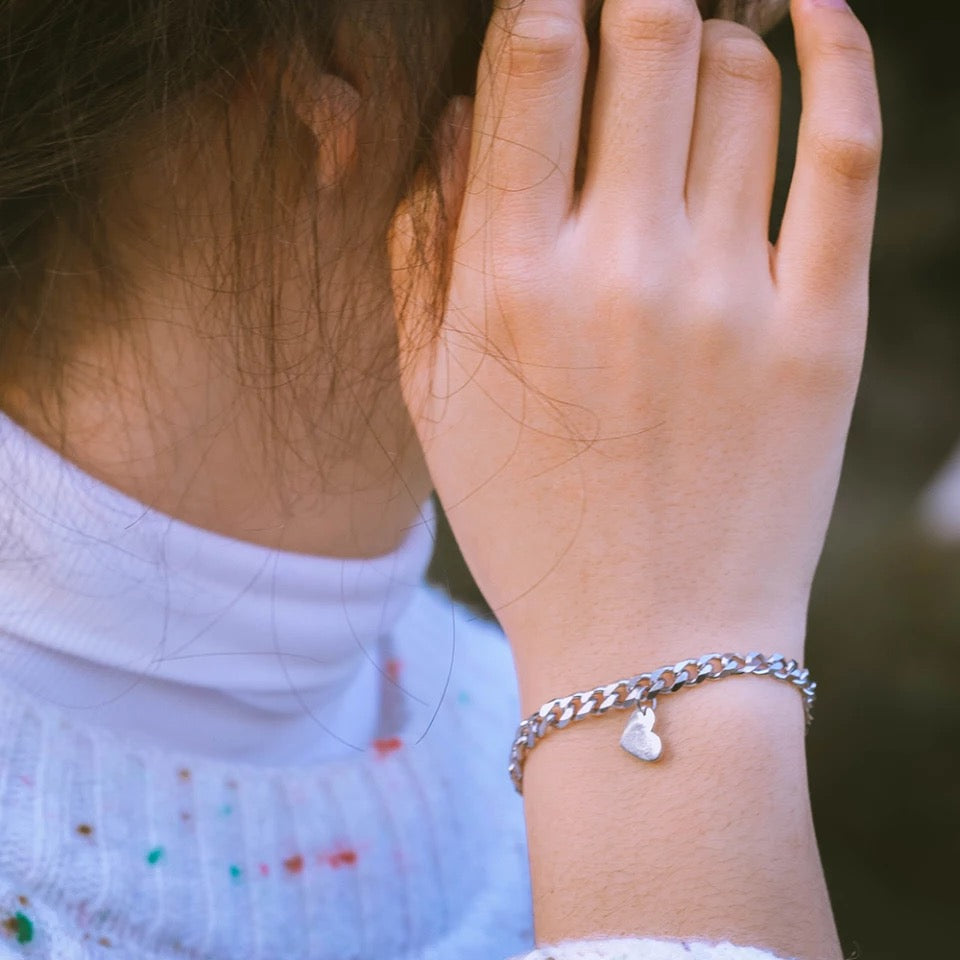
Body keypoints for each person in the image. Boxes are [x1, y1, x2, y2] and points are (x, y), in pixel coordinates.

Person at [0, 0, 881, 957]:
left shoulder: (533, 708)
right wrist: (675, 645)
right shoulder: (604, 712)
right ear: (335, 69)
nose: (734, 63)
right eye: (656, 15)